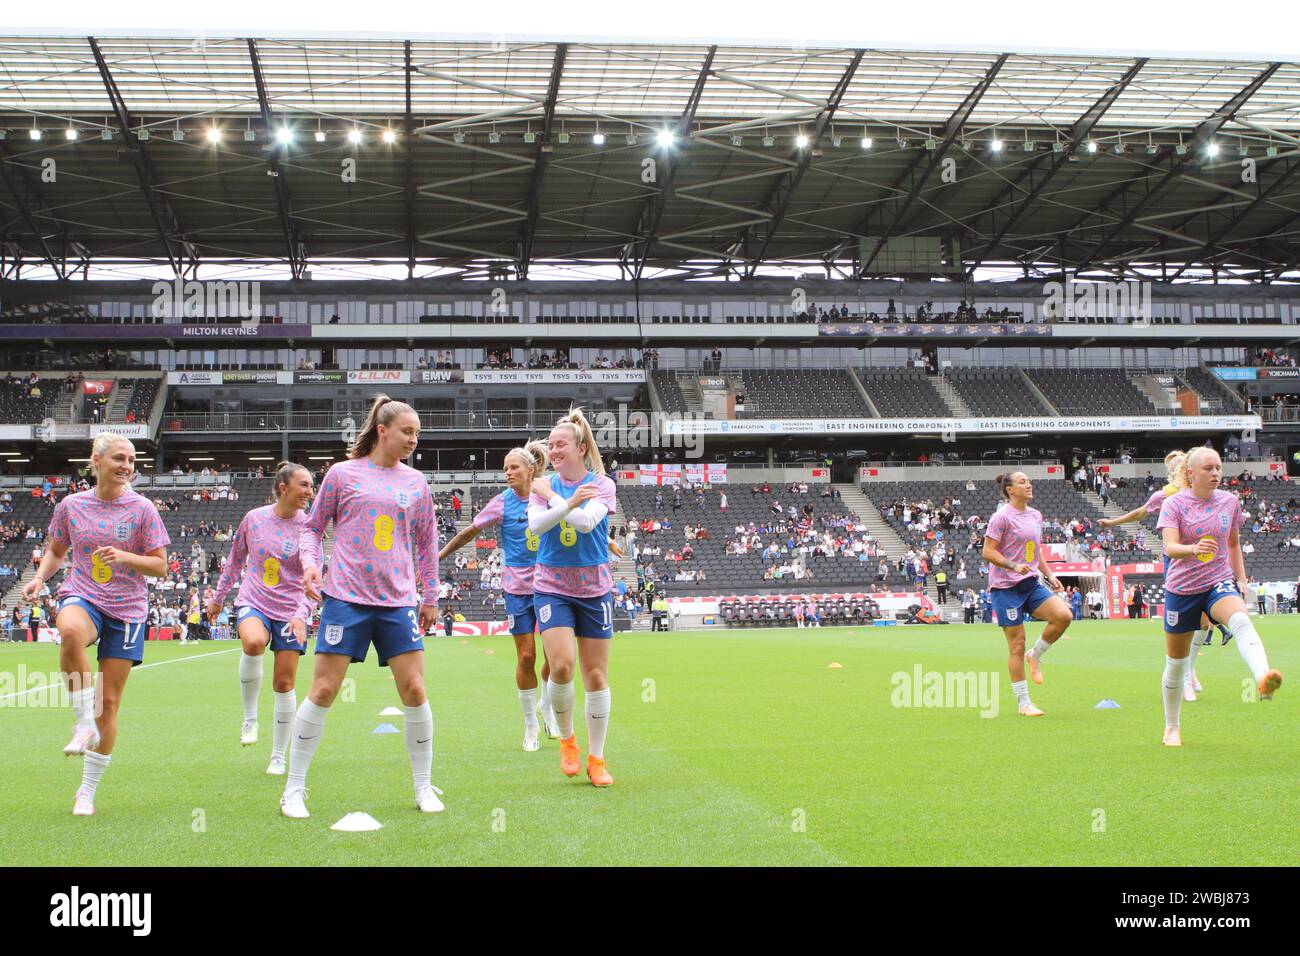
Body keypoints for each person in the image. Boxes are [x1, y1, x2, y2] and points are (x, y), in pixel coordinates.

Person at [279, 396, 442, 819]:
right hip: (346, 599)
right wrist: (312, 567)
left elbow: (426, 545)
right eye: (407, 432)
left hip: (398, 602)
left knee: (416, 690)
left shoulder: (416, 484)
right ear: (383, 430)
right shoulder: (341, 474)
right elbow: (312, 530)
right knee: (324, 690)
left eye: (418, 434)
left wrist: (431, 596)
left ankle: (423, 786)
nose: (413, 440)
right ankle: (294, 788)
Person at [23, 433, 169, 816]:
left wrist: (124, 556)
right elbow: (57, 550)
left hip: (128, 610)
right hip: (84, 594)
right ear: (97, 460)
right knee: (68, 629)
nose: (127, 466)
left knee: (109, 705)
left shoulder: (142, 509)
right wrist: (40, 578)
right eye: (120, 458)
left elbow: (160, 565)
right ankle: (81, 722)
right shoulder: (71, 505)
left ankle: (86, 791)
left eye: (132, 460)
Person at [438, 441, 561, 751]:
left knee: (554, 657)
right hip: (517, 588)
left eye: (513, 467)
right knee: (526, 656)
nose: (507, 472)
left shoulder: (548, 493)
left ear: (530, 470)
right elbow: (470, 533)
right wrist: (439, 555)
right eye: (505, 468)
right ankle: (530, 725)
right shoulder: (501, 502)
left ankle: (547, 706)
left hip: (549, 583)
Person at [1156, 447, 1282, 747]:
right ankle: (1171, 726)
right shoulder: (1173, 504)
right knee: (1176, 663)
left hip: (1217, 581)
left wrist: (1240, 578)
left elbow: (1234, 544)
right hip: (1182, 589)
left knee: (1239, 618)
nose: (1215, 474)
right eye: (1208, 468)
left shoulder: (1229, 502)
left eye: (1218, 468)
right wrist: (1192, 549)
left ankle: (1263, 677)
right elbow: (1169, 547)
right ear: (1190, 473)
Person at [528, 407, 618, 787]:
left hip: (594, 588)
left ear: (581, 448)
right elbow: (536, 525)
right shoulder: (542, 484)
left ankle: (597, 759)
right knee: (561, 666)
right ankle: (567, 741)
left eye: (561, 444)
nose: (554, 450)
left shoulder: (602, 484)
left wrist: (556, 501)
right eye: (551, 445)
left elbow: (584, 524)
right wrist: (557, 498)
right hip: (551, 586)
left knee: (596, 675)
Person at [206, 462, 315, 774]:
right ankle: (250, 719)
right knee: (253, 642)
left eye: (311, 485)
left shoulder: (309, 527)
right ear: (283, 487)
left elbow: (313, 578)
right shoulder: (253, 519)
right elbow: (235, 561)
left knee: (284, 682)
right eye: (303, 485)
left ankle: (279, 755)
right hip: (254, 600)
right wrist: (218, 598)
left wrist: (302, 616)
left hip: (291, 609)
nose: (309, 492)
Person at [1100, 449, 1223, 698]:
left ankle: (1190, 670)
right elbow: (1140, 513)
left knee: (1205, 620)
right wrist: (1112, 523)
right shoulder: (1167, 494)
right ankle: (1185, 674)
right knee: (1190, 620)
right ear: (1181, 471)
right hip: (1180, 559)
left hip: (1205, 560)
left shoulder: (1207, 494)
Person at [982, 472, 1073, 717]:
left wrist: (1049, 574)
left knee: (1063, 615)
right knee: (1017, 645)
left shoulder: (1035, 515)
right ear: (1010, 490)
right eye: (1022, 482)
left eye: (1028, 481)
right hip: (1005, 587)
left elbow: (1033, 550)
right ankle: (1024, 703)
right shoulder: (1000, 517)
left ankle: (1037, 655)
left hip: (1030, 583)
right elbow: (988, 552)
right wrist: (1012, 566)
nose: (1029, 484)